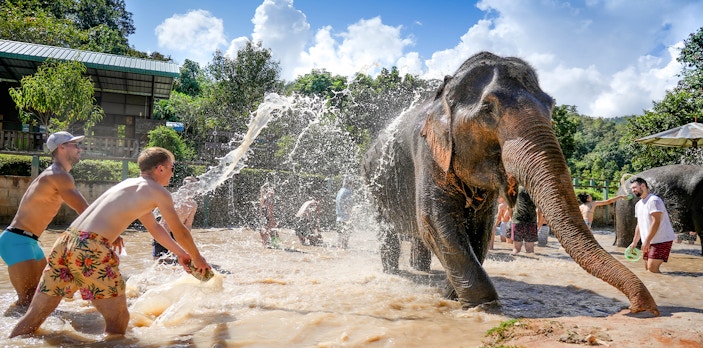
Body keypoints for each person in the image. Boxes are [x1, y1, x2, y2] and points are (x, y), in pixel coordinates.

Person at [10, 147, 210, 338]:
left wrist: (181, 254)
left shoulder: (128, 185)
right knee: (119, 320)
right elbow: (180, 230)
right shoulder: (159, 192)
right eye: (172, 168)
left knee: (34, 316)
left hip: (65, 241)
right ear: (160, 168)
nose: (173, 174)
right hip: (91, 247)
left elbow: (155, 228)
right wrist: (197, 258)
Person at [0, 131, 90, 308]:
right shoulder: (58, 175)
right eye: (75, 145)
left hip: (31, 242)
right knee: (26, 301)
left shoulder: (58, 174)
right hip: (17, 241)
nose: (80, 149)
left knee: (45, 295)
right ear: (61, 148)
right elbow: (84, 210)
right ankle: (8, 334)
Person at [628, 177, 676, 273]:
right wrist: (634, 242)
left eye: (634, 187)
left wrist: (647, 241)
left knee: (652, 268)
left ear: (643, 186)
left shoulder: (654, 200)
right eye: (632, 188)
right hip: (649, 241)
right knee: (647, 269)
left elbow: (656, 221)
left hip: (662, 239)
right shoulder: (638, 204)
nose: (633, 190)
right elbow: (639, 225)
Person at [153, 176, 200, 262]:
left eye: (194, 186)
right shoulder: (173, 199)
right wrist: (171, 244)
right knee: (158, 262)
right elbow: (164, 223)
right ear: (183, 186)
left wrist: (185, 241)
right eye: (189, 185)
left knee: (175, 262)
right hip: (163, 232)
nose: (192, 188)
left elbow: (188, 225)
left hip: (177, 233)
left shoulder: (193, 205)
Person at [511, 187, 538, 255]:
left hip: (518, 220)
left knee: (516, 249)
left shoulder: (517, 188)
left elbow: (510, 204)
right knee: (530, 250)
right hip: (531, 221)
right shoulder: (535, 189)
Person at [335, 178, 354, 249]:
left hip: (338, 218)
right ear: (351, 183)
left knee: (339, 238)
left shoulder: (340, 191)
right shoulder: (348, 191)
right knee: (345, 241)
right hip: (346, 218)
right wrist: (351, 215)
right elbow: (349, 204)